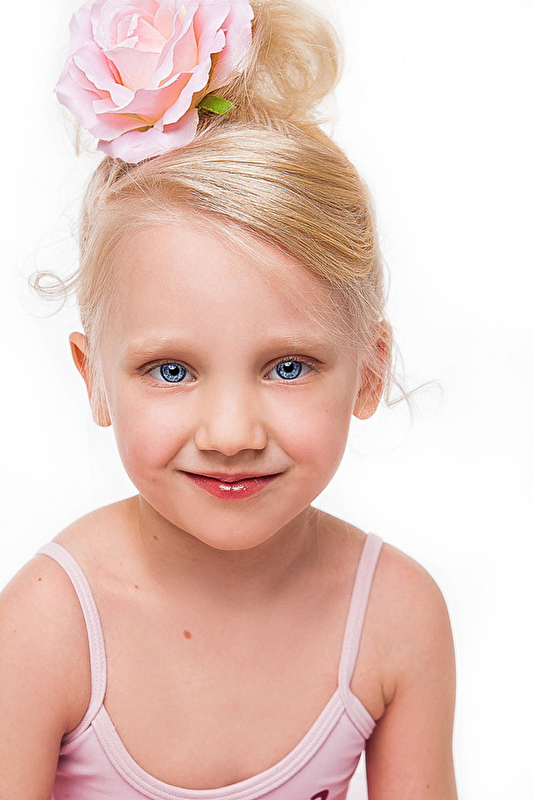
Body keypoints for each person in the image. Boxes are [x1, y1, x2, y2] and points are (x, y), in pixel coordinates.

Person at [0, 0, 457, 798]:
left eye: (287, 367)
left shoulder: (393, 616)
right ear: (92, 377)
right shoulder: (49, 625)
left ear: (368, 371)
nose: (231, 433)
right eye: (172, 371)